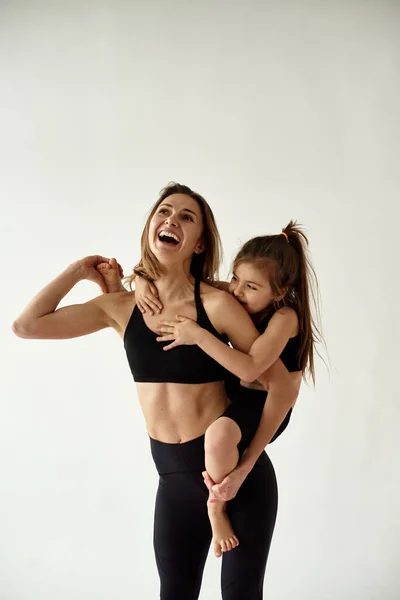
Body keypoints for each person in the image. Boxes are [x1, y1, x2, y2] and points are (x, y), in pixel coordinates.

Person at [12, 183, 296, 600]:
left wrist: (245, 468)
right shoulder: (121, 307)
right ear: (150, 226)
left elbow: (279, 384)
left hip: (232, 474)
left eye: (186, 217)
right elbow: (26, 326)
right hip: (173, 480)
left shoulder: (217, 304)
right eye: (165, 211)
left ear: (199, 244)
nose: (172, 220)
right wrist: (79, 269)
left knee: (241, 594)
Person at [114, 221, 320, 560]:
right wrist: (140, 281)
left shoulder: (284, 317)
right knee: (217, 431)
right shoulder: (241, 295)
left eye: (250, 286)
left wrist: (199, 336)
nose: (237, 291)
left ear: (279, 292)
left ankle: (217, 507)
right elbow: (188, 282)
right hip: (239, 397)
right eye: (236, 278)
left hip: (267, 403)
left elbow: (252, 368)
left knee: (219, 433)